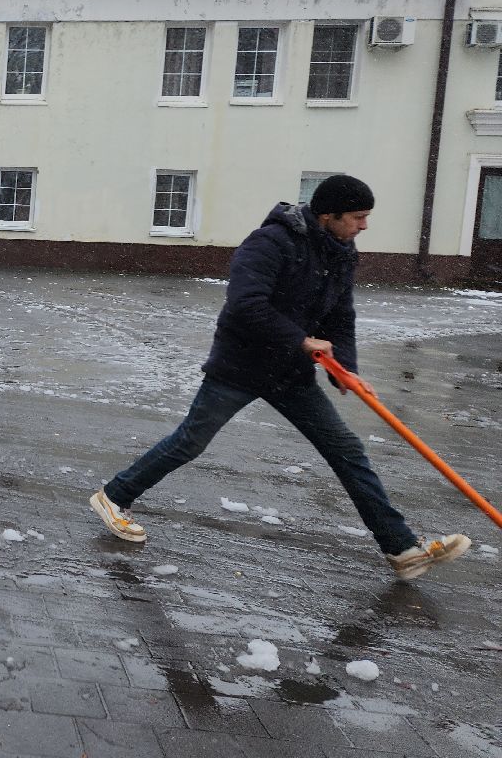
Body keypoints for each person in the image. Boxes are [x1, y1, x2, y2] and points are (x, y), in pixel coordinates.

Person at [89, 174, 470, 581]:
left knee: (346, 451)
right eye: (357, 217)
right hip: (241, 366)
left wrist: (348, 372)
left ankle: (402, 549)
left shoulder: (341, 251)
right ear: (328, 214)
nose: (363, 226)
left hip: (290, 374)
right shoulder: (270, 242)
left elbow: (341, 316)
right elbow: (244, 305)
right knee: (191, 441)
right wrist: (303, 342)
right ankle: (114, 496)